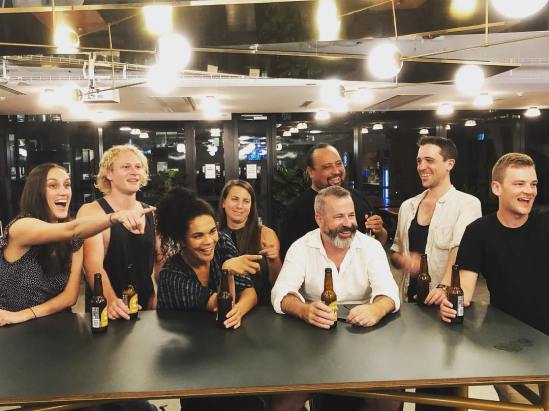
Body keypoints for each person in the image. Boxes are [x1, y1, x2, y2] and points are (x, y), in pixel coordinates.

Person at [270, 186, 400, 411]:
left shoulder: (370, 247)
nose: (348, 223)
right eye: (339, 216)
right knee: (283, 404)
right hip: (311, 344)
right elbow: (281, 292)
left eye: (351, 215)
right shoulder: (301, 247)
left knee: (389, 400)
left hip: (364, 340)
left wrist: (376, 309)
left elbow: (389, 291)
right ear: (319, 219)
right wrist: (304, 310)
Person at [440, 153, 548, 404]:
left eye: (533, 184)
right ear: (496, 188)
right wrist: (450, 303)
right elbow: (463, 291)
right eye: (519, 184)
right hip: (510, 347)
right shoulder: (478, 232)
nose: (529, 191)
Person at [0, 163, 153, 326]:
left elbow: (70, 296)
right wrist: (114, 217)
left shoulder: (74, 239)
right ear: (36, 192)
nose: (63, 192)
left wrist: (26, 315)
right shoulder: (21, 226)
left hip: (59, 325)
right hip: (11, 326)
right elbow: (74, 229)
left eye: (67, 185)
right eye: (53, 186)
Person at [156, 187, 263, 411]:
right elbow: (221, 305)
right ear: (181, 240)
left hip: (232, 355)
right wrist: (227, 272)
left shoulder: (222, 242)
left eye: (212, 231)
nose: (209, 241)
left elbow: (249, 293)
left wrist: (239, 311)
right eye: (198, 236)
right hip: (193, 363)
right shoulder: (172, 276)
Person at [390, 136, 481, 305]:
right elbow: (395, 251)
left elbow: (459, 249)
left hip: (444, 303)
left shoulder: (468, 204)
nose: (421, 167)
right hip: (409, 304)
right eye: (419, 161)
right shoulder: (407, 206)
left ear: (449, 164)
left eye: (429, 160)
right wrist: (403, 260)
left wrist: (443, 287)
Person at [78, 144, 157, 320]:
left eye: (138, 167)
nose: (134, 172)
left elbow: (161, 261)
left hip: (146, 310)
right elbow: (92, 265)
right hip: (107, 311)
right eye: (126, 167)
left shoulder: (150, 213)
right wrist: (112, 301)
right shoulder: (92, 211)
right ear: (109, 173)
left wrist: (158, 299)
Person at [279, 143, 387, 258]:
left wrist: (380, 231)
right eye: (327, 167)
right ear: (310, 172)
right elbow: (289, 256)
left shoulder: (357, 197)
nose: (336, 171)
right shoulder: (296, 210)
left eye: (339, 164)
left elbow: (378, 242)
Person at [218, 179, 282, 305]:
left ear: (251, 206)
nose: (240, 206)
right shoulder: (213, 236)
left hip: (263, 308)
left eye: (246, 201)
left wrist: (274, 259)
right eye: (235, 199)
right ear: (223, 202)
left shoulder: (266, 234)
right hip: (224, 305)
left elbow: (278, 284)